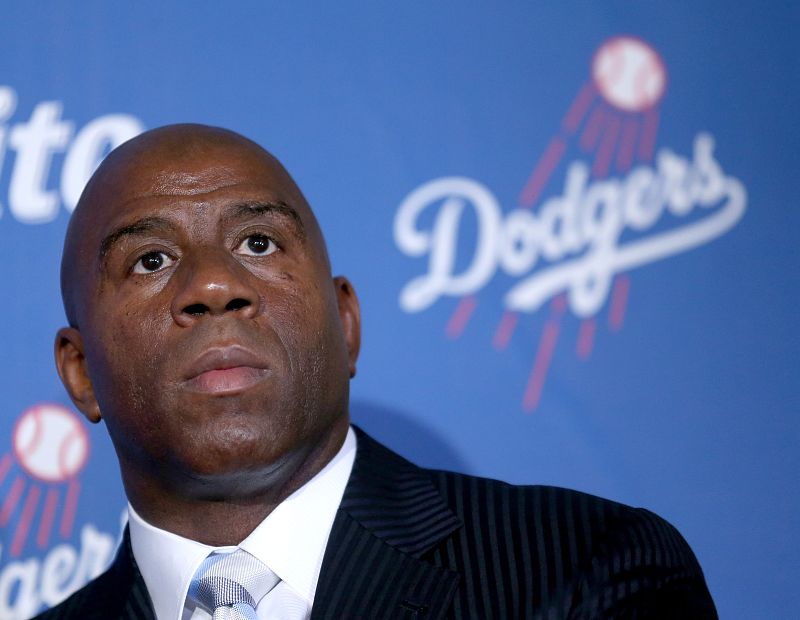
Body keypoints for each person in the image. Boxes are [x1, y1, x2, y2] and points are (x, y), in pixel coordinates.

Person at [35, 124, 717, 619]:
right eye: (150, 260)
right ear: (81, 371)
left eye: (259, 242)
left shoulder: (585, 569)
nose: (214, 285)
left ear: (347, 324)